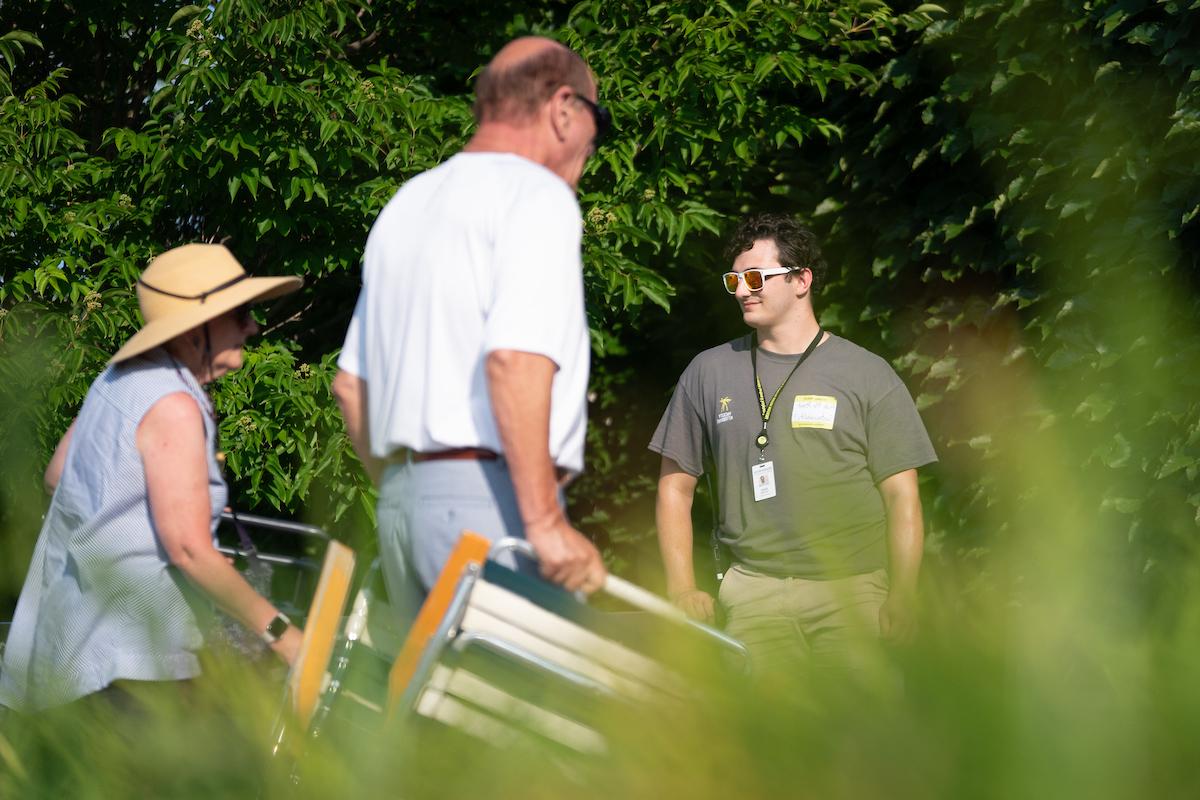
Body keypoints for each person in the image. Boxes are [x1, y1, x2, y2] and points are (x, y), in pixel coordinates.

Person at [332, 36, 608, 626]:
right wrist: (544, 524)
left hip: (403, 508)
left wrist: (412, 492)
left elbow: (350, 386)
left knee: (437, 709)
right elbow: (514, 360)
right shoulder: (537, 196)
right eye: (596, 121)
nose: (592, 143)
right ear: (563, 109)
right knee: (532, 710)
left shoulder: (407, 203)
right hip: (492, 505)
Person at [0, 244, 305, 713]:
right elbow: (187, 549)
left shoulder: (118, 378)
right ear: (194, 328)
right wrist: (284, 637)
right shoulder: (174, 405)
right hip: (133, 666)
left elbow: (56, 474)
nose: (253, 326)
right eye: (240, 312)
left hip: (73, 647)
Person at [650, 213, 937, 683]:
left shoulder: (866, 373)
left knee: (858, 737)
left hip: (853, 591)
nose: (743, 290)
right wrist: (681, 588)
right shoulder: (708, 371)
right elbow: (674, 491)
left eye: (757, 277)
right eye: (735, 280)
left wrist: (903, 593)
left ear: (802, 279)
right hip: (751, 594)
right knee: (772, 743)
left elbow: (903, 495)